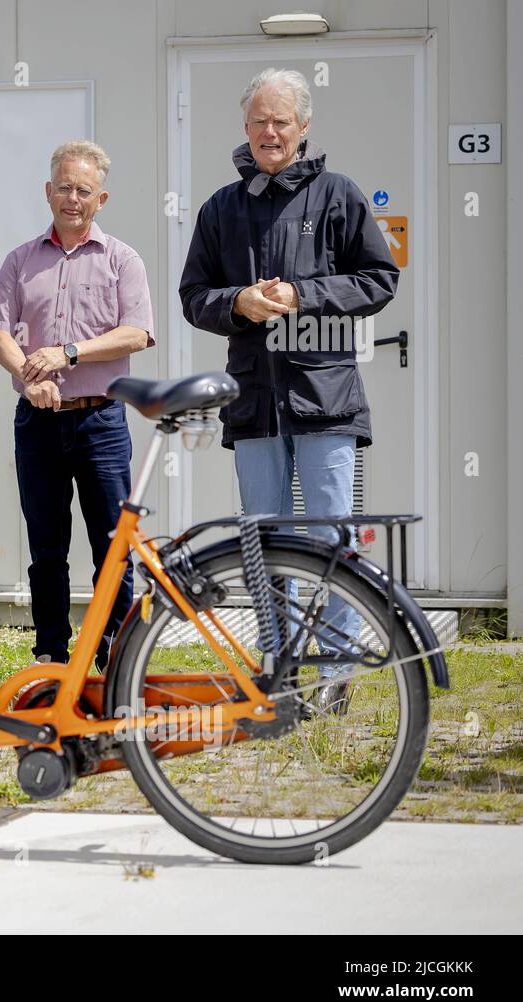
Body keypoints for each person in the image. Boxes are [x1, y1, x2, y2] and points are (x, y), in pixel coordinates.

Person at [179, 67, 399, 705]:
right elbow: (194, 297)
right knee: (266, 541)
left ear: (304, 129)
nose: (269, 132)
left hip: (325, 396)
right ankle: (279, 675)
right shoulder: (222, 207)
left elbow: (379, 281)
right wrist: (238, 303)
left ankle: (336, 675)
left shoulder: (338, 195)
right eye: (259, 121)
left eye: (281, 122)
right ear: (244, 128)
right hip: (253, 401)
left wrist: (304, 295)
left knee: (328, 538)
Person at [0, 141, 154, 673]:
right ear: (47, 191)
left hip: (101, 419)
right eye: (63, 187)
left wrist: (68, 352)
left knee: (111, 548)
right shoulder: (21, 260)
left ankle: (115, 657)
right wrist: (27, 377)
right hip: (38, 421)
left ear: (101, 198)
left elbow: (138, 333)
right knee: (46, 546)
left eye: (83, 190)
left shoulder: (123, 259)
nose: (71, 198)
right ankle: (51, 653)